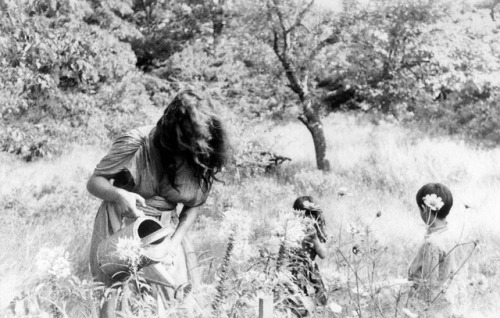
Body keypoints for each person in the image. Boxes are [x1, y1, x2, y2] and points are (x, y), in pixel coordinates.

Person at [87, 90, 229, 317]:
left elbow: (194, 205)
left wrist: (175, 241)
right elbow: (94, 182)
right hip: (122, 225)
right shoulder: (137, 142)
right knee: (119, 299)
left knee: (171, 301)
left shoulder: (202, 154)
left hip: (166, 233)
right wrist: (119, 194)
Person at [408, 183, 457, 315]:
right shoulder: (450, 236)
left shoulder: (432, 243)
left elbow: (428, 286)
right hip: (446, 305)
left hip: (430, 310)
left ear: (425, 209)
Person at [290, 196, 328, 313]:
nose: (306, 220)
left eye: (308, 215)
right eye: (302, 215)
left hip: (310, 270)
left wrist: (315, 238)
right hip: (293, 269)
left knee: (318, 303)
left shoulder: (316, 229)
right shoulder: (291, 227)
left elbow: (323, 254)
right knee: (296, 302)